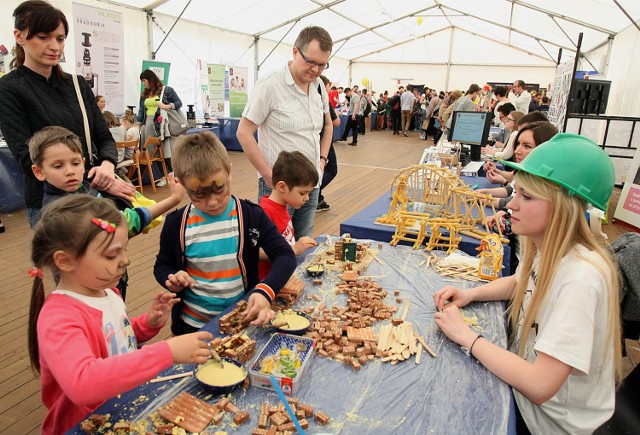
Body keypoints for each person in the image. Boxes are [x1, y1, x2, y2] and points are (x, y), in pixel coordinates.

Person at [434, 133, 621, 435]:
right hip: (528, 402)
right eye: (516, 193)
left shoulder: (581, 278)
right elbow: (520, 281)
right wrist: (470, 294)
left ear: (564, 207)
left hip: (544, 423)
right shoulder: (551, 248)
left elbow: (539, 385)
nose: (511, 206)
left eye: (527, 197)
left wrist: (465, 335)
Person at [28, 194, 213, 434]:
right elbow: (82, 382)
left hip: (119, 410)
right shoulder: (58, 317)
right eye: (111, 255)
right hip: (84, 425)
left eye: (124, 249)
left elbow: (114, 336)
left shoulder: (107, 292)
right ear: (65, 261)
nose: (125, 260)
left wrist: (147, 323)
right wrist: (165, 352)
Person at [0, 0, 134, 228]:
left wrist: (108, 168)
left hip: (96, 194)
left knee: (111, 260)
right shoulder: (9, 88)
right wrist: (96, 178)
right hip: (51, 205)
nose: (54, 46)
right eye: (43, 37)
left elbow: (103, 137)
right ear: (19, 36)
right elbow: (27, 158)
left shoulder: (77, 84)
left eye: (60, 38)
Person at [153, 132, 297, 335]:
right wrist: (170, 277)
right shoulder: (176, 223)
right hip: (193, 327)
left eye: (219, 189)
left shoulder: (251, 215)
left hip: (240, 321)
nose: (212, 202)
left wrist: (266, 290)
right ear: (182, 185)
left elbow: (285, 255)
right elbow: (162, 264)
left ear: (229, 171)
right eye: (199, 194)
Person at [29, 125, 187, 299]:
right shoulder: (68, 213)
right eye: (58, 166)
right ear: (38, 172)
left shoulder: (86, 191)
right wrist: (173, 200)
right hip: (94, 290)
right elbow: (129, 223)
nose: (70, 171)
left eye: (75, 163)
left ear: (83, 163)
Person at [236, 26, 333, 239]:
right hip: (280, 186)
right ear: (295, 51)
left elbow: (328, 125)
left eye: (322, 65)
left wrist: (322, 160)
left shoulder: (318, 87)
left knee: (303, 243)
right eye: (311, 62)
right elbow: (243, 132)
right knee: (274, 247)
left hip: (311, 185)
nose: (316, 70)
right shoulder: (270, 85)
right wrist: (269, 176)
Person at [259, 151, 319, 280]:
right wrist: (293, 250)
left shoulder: (282, 206)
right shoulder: (266, 212)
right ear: (282, 187)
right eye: (302, 193)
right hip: (270, 280)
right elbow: (256, 251)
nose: (307, 198)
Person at [137, 68, 183, 172]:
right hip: (147, 126)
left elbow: (179, 103)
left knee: (164, 151)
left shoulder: (167, 90)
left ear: (150, 79)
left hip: (160, 125)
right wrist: (138, 125)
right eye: (142, 81)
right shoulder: (144, 94)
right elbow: (141, 111)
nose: (143, 83)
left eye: (144, 80)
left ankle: (170, 175)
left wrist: (166, 106)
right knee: (151, 152)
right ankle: (164, 176)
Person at [317, 75, 340, 212]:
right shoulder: (323, 100)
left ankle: (317, 197)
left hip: (315, 140)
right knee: (331, 169)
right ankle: (314, 194)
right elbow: (335, 122)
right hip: (323, 142)